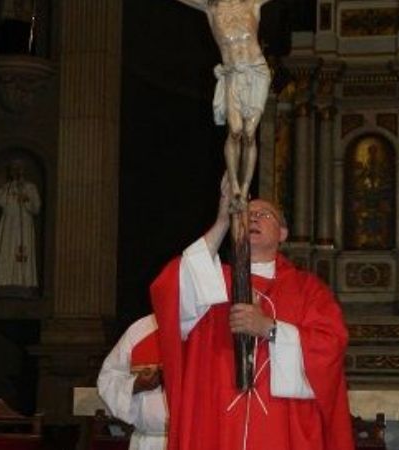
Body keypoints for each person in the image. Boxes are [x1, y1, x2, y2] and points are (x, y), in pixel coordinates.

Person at [150, 177, 354, 450]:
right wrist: (223, 220)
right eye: (247, 214)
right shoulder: (212, 282)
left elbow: (331, 346)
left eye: (264, 214)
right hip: (218, 422)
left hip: (281, 427)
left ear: (282, 233)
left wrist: (270, 329)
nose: (254, 219)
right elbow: (172, 291)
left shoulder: (308, 290)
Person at [172, 0, 274, 209]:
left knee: (249, 131)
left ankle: (244, 190)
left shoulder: (252, 3)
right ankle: (235, 188)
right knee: (235, 130)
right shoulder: (212, 7)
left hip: (256, 71)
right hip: (232, 73)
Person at [97, 314, 167, 450]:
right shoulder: (140, 330)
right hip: (149, 442)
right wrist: (136, 385)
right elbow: (108, 380)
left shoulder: (208, 328)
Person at [0, 160, 41, 289]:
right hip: (9, 226)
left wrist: (25, 198)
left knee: (23, 252)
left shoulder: (30, 187)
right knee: (7, 251)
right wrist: (1, 187)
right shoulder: (7, 187)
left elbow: (36, 207)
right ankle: (4, 281)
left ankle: (24, 282)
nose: (17, 171)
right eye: (14, 168)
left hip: (24, 226)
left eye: (19, 168)